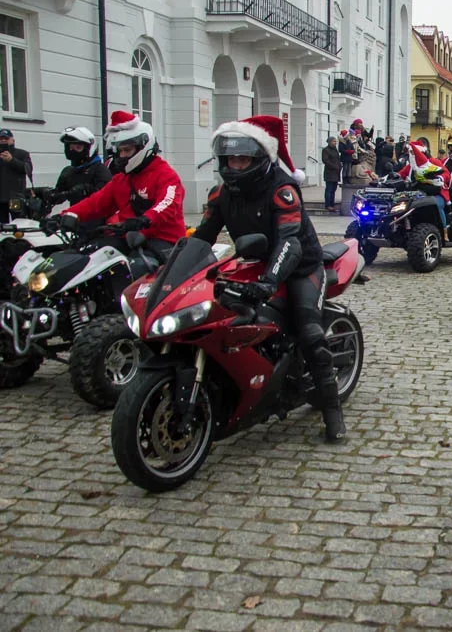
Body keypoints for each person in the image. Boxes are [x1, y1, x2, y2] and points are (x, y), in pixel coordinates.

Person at [192, 115, 344, 444]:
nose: (235, 166)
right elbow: (200, 237)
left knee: (310, 333)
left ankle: (333, 414)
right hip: (255, 264)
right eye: (231, 159)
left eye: (243, 159)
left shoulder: (282, 189)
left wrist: (270, 281)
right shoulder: (221, 195)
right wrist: (173, 268)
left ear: (260, 159)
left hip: (301, 266)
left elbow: (289, 242)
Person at [61, 111, 185, 259]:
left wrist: (145, 219)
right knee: (92, 256)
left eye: (127, 150)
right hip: (129, 238)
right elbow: (95, 203)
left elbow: (167, 203)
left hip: (163, 241)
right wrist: (67, 215)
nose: (122, 156)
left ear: (143, 146)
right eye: (119, 151)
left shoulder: (165, 175)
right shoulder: (121, 179)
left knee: (137, 268)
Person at [55, 127, 112, 206]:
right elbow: (59, 197)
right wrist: (44, 194)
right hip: (74, 216)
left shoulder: (100, 170)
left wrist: (87, 190)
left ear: (89, 148)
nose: (73, 151)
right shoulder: (69, 171)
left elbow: (108, 196)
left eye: (78, 147)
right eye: (70, 148)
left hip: (96, 216)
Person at [0, 128, 33, 223]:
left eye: (6, 138)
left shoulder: (22, 153)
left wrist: (12, 160)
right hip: (1, 199)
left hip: (15, 197)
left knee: (19, 223)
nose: (3, 140)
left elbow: (28, 169)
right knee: (2, 227)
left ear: (12, 140)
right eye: (1, 138)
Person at [322, 136, 341, 211]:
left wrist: (339, 166)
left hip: (336, 173)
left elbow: (337, 159)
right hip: (329, 172)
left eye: (335, 141)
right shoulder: (326, 150)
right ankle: (328, 205)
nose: (335, 143)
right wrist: (335, 166)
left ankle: (332, 204)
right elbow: (325, 160)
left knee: (333, 189)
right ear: (330, 142)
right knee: (329, 189)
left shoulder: (335, 150)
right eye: (334, 141)